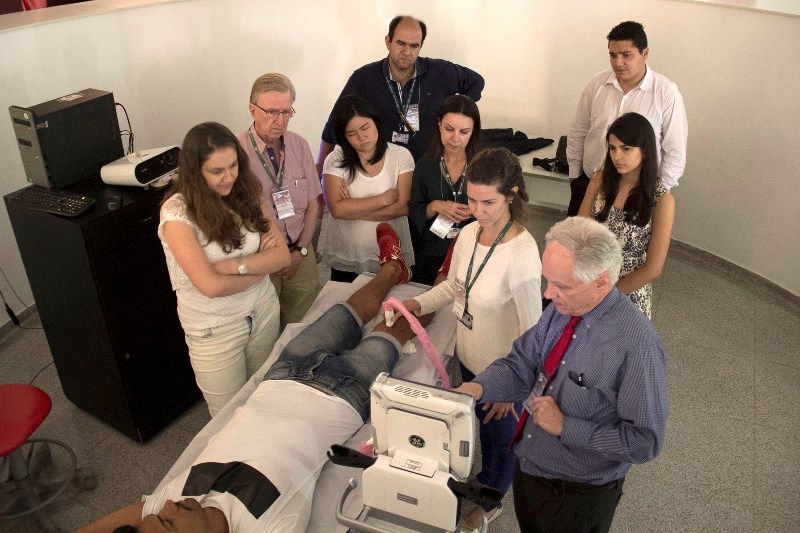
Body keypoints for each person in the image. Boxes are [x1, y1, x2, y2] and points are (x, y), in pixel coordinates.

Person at [76, 225, 421, 533]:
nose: (166, 504)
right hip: (343, 396)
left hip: (282, 376)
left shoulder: (173, 500)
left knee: (345, 314)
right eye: (168, 520)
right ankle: (449, 281)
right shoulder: (271, 526)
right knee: (396, 327)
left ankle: (392, 269)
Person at [457, 216, 668, 533]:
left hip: (577, 493)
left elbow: (644, 442)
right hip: (530, 463)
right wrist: (477, 388)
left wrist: (566, 426)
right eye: (548, 281)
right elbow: (522, 363)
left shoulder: (637, 347)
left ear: (600, 281)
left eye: (561, 285)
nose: (548, 294)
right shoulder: (561, 308)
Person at [402, 147, 542, 529]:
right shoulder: (467, 234)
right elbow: (454, 288)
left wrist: (513, 388)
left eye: (488, 202)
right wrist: (416, 302)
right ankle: (482, 480)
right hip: (468, 357)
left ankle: (493, 499)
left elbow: (534, 333)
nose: (478, 210)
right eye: (471, 200)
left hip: (501, 371)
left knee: (501, 444)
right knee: (476, 428)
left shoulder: (523, 255)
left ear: (511, 194)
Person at [158, 122, 291, 417]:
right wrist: (261, 267)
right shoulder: (177, 212)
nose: (228, 176)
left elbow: (282, 256)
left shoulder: (245, 189)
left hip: (263, 310)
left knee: (263, 398)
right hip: (215, 329)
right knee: (228, 418)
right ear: (195, 173)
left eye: (233, 166)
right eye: (217, 171)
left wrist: (233, 266)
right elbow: (210, 287)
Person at [315, 15, 484, 169]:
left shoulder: (440, 71)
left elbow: (477, 82)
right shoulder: (364, 77)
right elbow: (334, 124)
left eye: (414, 46)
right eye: (400, 43)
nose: (406, 52)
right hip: (380, 169)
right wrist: (320, 170)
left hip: (428, 167)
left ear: (421, 46)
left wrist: (455, 111)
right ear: (388, 41)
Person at [566, 20, 687, 216]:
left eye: (626, 55)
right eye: (613, 55)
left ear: (645, 53)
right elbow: (578, 131)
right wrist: (575, 176)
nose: (618, 62)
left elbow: (675, 150)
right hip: (590, 183)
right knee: (576, 242)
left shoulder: (666, 93)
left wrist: (656, 193)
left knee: (624, 247)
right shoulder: (596, 85)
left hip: (637, 192)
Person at [237, 73, 322, 330]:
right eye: (272, 112)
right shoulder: (235, 151)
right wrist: (276, 255)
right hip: (260, 256)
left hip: (300, 250)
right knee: (265, 328)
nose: (280, 121)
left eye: (287, 112)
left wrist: (301, 251)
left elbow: (312, 204)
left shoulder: (299, 145)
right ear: (253, 110)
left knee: (304, 324)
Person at [578, 112, 675, 317]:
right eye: (612, 148)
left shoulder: (662, 200)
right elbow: (580, 229)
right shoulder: (600, 180)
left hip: (627, 292)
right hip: (590, 280)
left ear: (645, 150)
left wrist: (606, 297)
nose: (617, 156)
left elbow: (653, 268)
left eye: (626, 149)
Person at [318, 94, 414, 283]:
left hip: (390, 253)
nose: (361, 137)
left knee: (389, 307)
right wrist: (383, 199)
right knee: (344, 304)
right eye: (352, 134)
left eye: (365, 128)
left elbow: (402, 208)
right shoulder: (335, 159)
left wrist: (351, 208)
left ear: (376, 122)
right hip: (346, 251)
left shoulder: (400, 156)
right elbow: (337, 210)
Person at [408, 94, 480, 285]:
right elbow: (414, 209)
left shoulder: (483, 166)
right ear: (439, 124)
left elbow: (500, 209)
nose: (455, 139)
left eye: (464, 132)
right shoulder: (425, 165)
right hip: (433, 249)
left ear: (473, 131)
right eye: (449, 129)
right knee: (428, 296)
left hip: (473, 249)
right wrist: (435, 206)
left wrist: (476, 210)